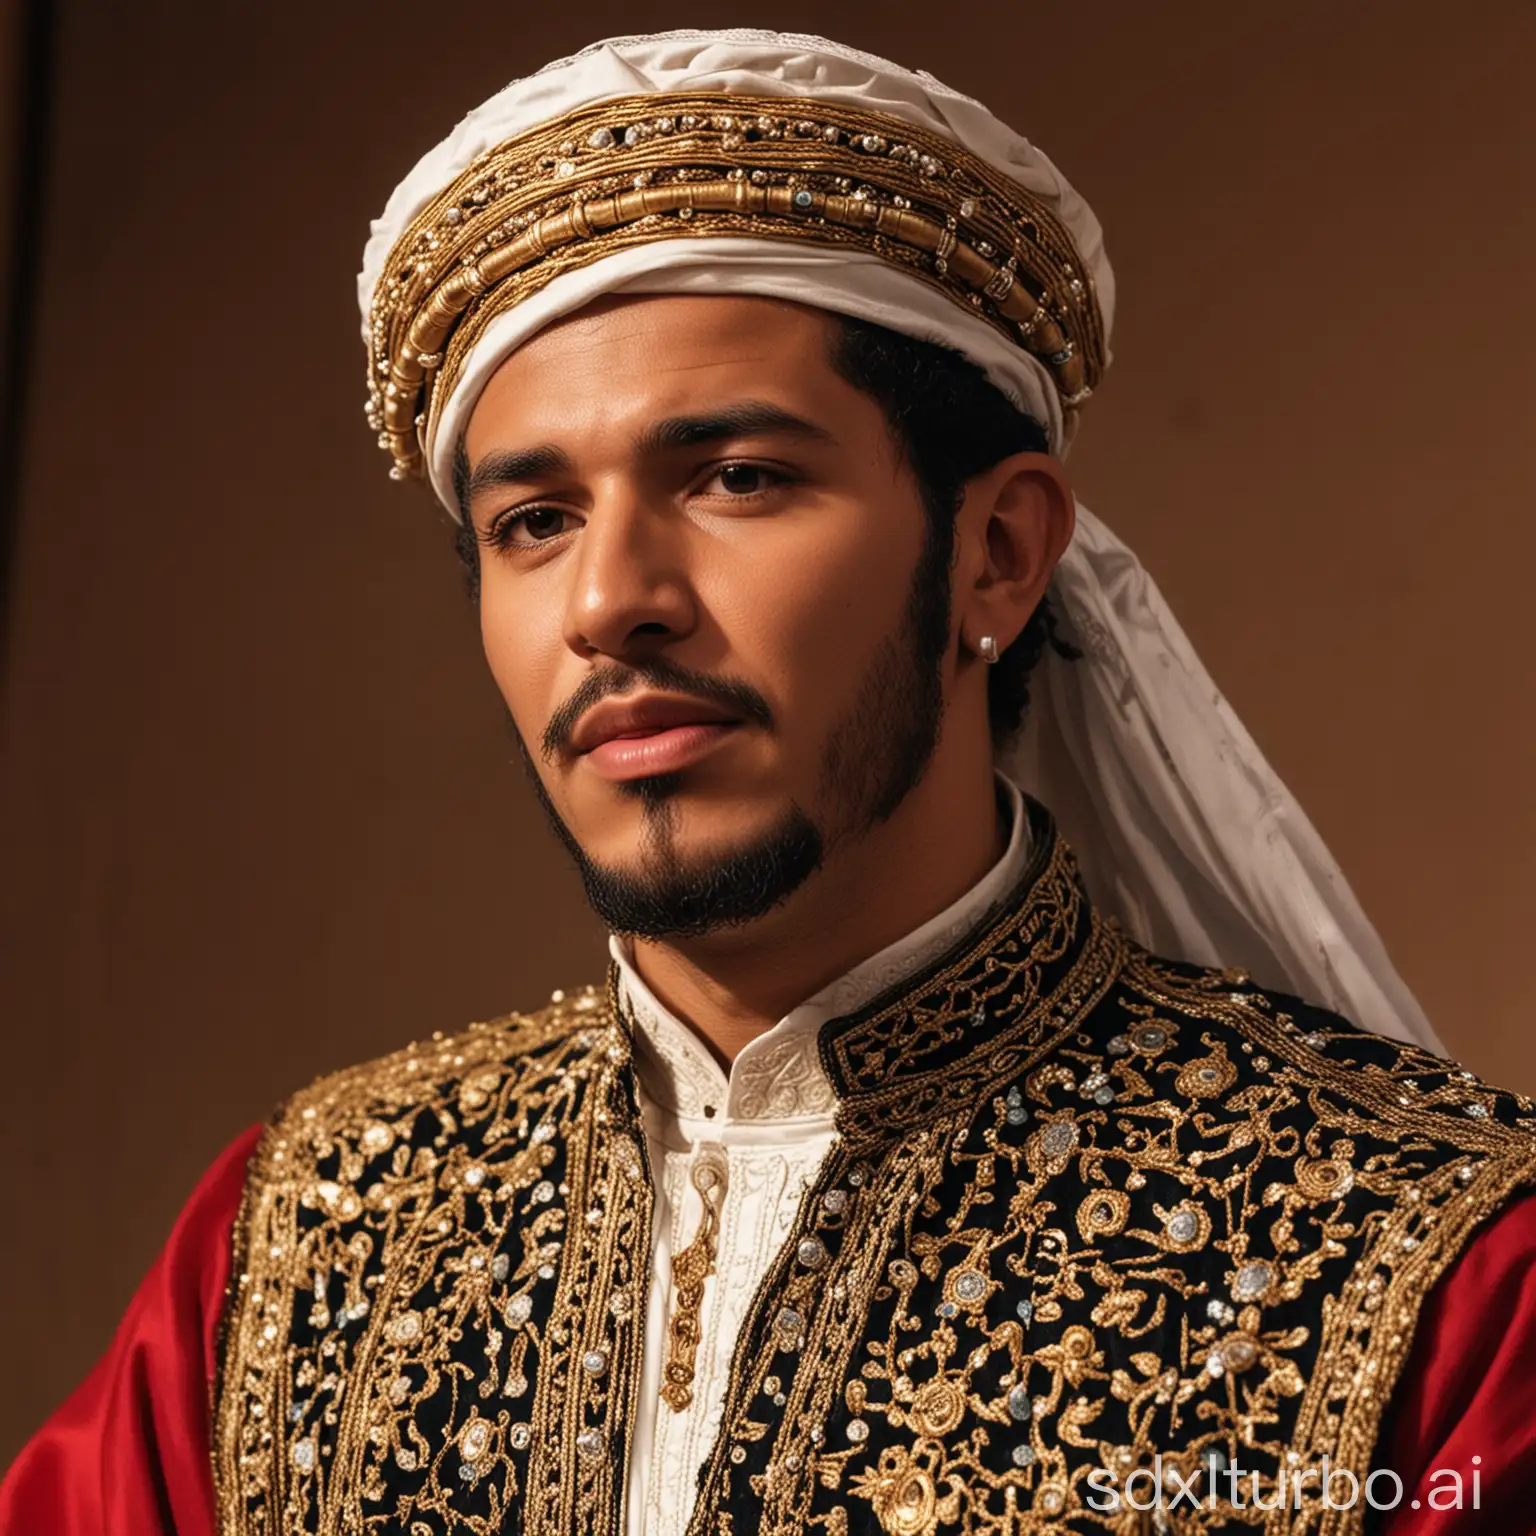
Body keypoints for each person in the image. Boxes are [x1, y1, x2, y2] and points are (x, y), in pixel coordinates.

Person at [5, 28, 1536, 1536]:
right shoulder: (302, 1243)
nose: (611, 599)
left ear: (996, 553)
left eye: (737, 478)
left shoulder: (1435, 1274)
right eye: (532, 519)